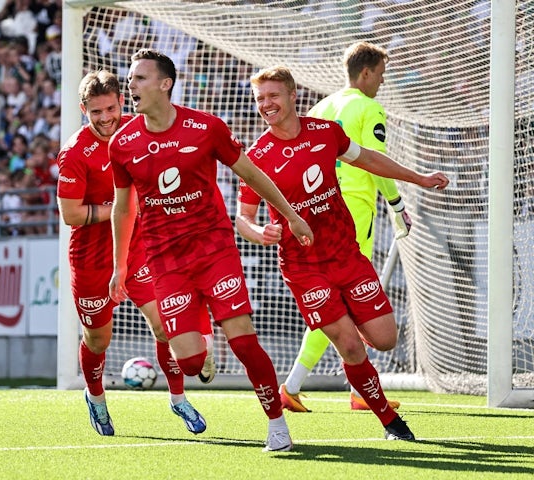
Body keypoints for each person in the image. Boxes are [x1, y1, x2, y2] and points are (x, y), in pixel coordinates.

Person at [108, 49, 314, 452]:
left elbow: (252, 173)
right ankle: (200, 336)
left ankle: (277, 424)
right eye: (130, 79)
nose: (130, 85)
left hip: (214, 250)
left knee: (242, 340)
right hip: (166, 262)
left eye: (139, 78)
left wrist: (290, 215)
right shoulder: (122, 143)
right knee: (188, 363)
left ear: (165, 84)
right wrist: (119, 267)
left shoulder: (205, 127)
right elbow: (121, 207)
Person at [237, 65, 449, 441]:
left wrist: (419, 178)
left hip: (347, 255)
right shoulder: (257, 156)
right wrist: (259, 233)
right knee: (350, 345)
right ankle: (389, 421)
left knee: (384, 339)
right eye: (260, 99)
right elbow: (244, 217)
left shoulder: (326, 132)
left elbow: (368, 159)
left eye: (272, 96)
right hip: (304, 266)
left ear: (291, 95)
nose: (266, 104)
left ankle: (347, 326)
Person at [56, 70, 215, 438]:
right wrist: (117, 208)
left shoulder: (139, 132)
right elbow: (71, 214)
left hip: (139, 249)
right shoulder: (75, 153)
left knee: (165, 325)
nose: (105, 117)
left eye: (110, 108)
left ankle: (178, 400)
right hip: (92, 259)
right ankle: (95, 397)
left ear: (121, 103)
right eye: (96, 111)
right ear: (84, 110)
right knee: (98, 340)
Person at [280, 41, 412, 413]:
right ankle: (292, 385)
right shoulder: (368, 107)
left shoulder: (321, 106)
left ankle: (355, 391)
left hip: (317, 206)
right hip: (351, 211)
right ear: (366, 72)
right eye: (381, 75)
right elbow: (375, 160)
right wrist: (397, 203)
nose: (382, 83)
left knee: (339, 304)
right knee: (347, 303)